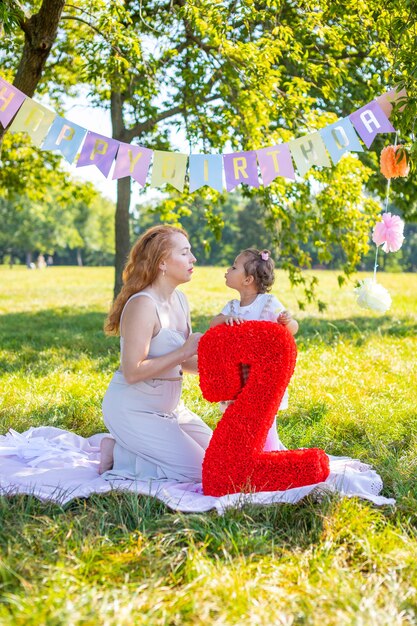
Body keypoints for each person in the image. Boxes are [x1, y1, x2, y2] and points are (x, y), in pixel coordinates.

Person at [99, 225, 212, 480]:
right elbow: (132, 371)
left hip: (172, 408)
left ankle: (122, 447)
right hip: (134, 408)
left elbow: (184, 363)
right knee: (203, 473)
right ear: (162, 263)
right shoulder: (142, 305)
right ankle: (118, 451)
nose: (193, 259)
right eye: (185, 253)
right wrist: (184, 350)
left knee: (222, 457)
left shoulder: (180, 300)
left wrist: (231, 370)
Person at [210, 248, 298, 452]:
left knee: (264, 421)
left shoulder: (268, 303)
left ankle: (268, 454)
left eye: (233, 267)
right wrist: (225, 320)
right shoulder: (231, 307)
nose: (227, 270)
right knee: (237, 418)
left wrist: (288, 322)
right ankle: (242, 454)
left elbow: (291, 331)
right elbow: (213, 324)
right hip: (237, 376)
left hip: (261, 378)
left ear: (248, 280)